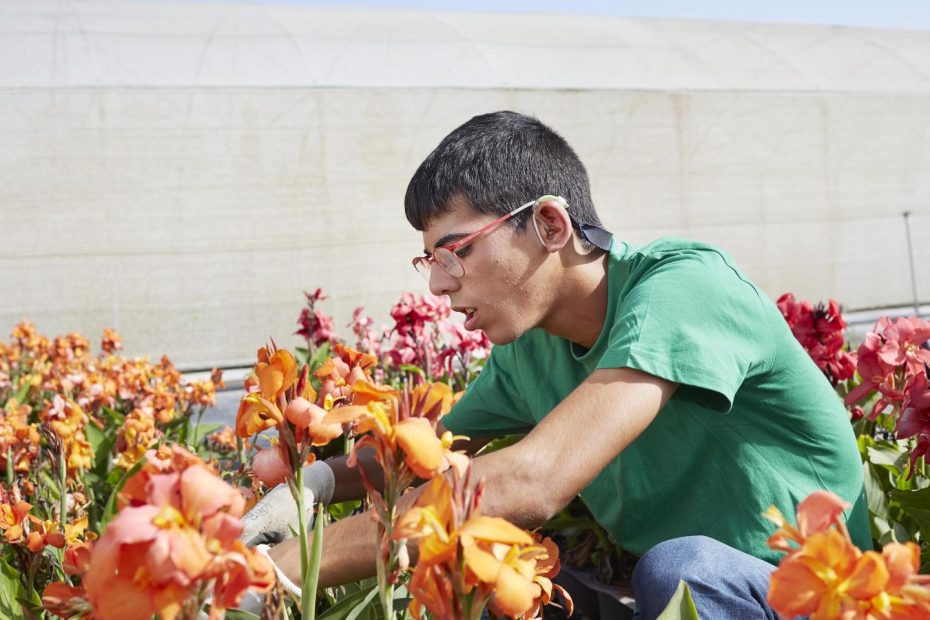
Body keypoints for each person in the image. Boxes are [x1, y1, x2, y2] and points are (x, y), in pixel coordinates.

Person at [245, 111, 870, 619]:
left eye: (453, 252)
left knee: (685, 572)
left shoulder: (685, 287)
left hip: (816, 594)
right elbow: (422, 450)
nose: (438, 284)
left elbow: (531, 483)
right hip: (674, 597)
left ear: (549, 223)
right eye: (427, 261)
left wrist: (286, 566)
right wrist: (310, 484)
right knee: (493, 578)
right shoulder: (529, 349)